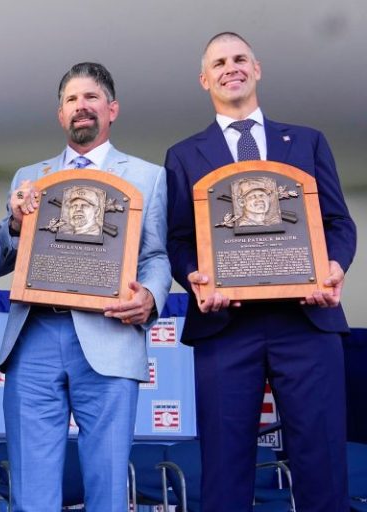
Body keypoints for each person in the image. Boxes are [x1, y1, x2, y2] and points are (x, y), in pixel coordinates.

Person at [165, 32, 356, 511]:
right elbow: (178, 239)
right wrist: (194, 276)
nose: (232, 68)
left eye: (240, 59)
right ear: (204, 78)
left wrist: (332, 268)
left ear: (257, 68)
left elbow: (338, 222)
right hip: (226, 327)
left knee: (322, 462)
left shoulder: (308, 141)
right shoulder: (184, 155)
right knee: (225, 469)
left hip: (306, 321)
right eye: (220, 62)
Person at [0, 62, 171, 511]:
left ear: (112, 110)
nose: (81, 107)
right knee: (31, 492)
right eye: (71, 99)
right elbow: (2, 258)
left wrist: (150, 296)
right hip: (34, 338)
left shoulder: (148, 177)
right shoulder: (28, 178)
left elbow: (155, 257)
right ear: (60, 115)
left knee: (108, 486)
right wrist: (14, 220)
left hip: (109, 336)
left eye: (91, 97)